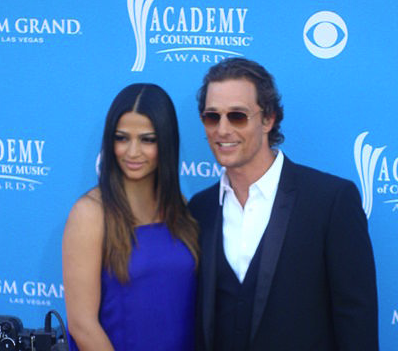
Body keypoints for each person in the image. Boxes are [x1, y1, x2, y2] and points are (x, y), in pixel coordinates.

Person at [188, 58, 378, 350]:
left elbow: (356, 322)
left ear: (268, 119)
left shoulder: (330, 201)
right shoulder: (199, 210)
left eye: (237, 116)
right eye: (212, 117)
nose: (222, 130)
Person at [63, 83, 199, 351]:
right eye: (121, 138)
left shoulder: (181, 208)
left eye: (147, 139)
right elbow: (82, 325)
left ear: (166, 142)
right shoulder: (90, 214)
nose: (132, 152)